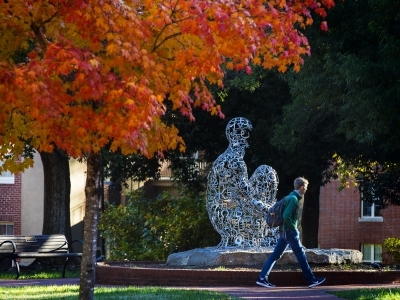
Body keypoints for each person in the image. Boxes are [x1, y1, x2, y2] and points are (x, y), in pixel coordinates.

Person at [256, 177, 326, 288]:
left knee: (276, 255)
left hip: (284, 232)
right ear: (302, 187)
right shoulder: (293, 199)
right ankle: (311, 280)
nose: (306, 190)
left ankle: (262, 278)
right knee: (301, 255)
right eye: (306, 188)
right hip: (290, 232)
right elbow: (286, 216)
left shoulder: (289, 196)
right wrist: (293, 228)